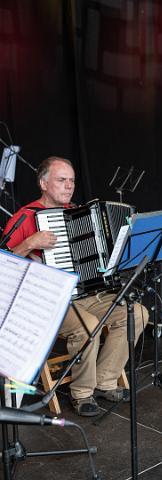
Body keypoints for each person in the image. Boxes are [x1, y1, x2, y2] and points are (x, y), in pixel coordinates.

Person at [2, 156, 148, 415]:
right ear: (43, 183)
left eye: (71, 181)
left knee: (136, 314)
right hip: (46, 299)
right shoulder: (25, 217)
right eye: (61, 180)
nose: (68, 186)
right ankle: (81, 392)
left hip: (87, 292)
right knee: (87, 326)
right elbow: (3, 264)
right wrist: (30, 243)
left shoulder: (81, 213)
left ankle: (105, 380)